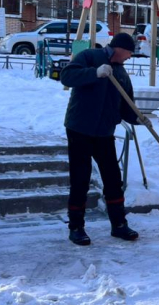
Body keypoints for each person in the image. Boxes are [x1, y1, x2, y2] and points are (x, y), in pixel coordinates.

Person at [60, 32, 149, 246]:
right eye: (129, 52)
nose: (130, 57)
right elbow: (67, 76)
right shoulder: (90, 56)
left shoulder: (122, 74)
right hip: (79, 128)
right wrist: (94, 73)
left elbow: (126, 107)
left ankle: (119, 225)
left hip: (104, 133)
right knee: (80, 179)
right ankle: (76, 227)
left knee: (112, 180)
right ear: (119, 48)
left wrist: (139, 118)